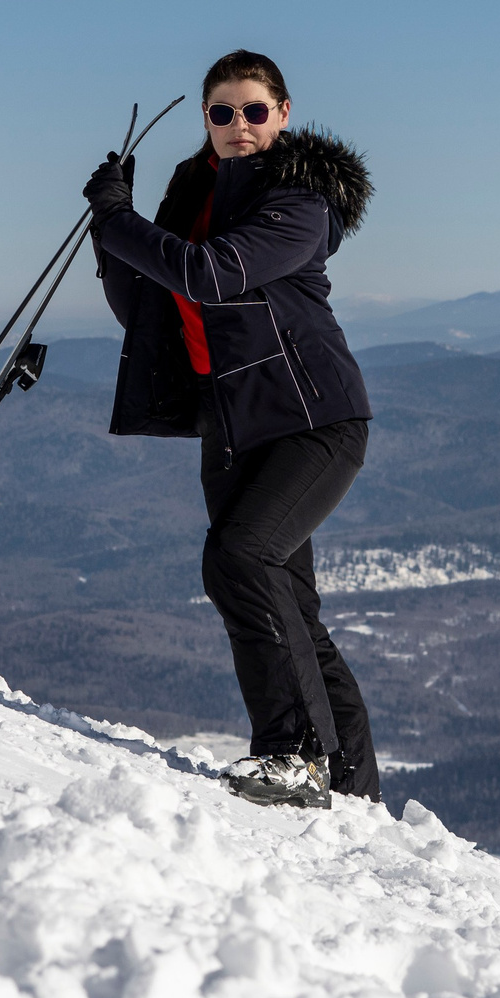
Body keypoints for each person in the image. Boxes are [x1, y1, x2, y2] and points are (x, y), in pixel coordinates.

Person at [83, 50, 377, 809]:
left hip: (314, 420)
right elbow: (148, 303)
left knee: (239, 560)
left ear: (283, 113)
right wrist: (109, 225)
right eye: (222, 112)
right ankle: (352, 788)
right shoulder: (197, 195)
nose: (238, 126)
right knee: (288, 603)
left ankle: (295, 752)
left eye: (253, 110)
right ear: (205, 121)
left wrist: (122, 222)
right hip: (232, 424)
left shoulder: (301, 198)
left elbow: (211, 274)